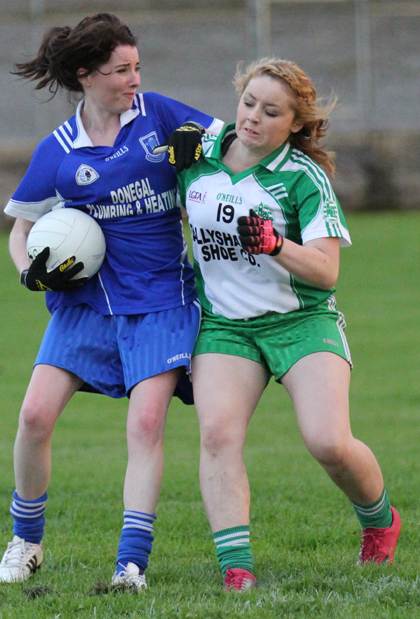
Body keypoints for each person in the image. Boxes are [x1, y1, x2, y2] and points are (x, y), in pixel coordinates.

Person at [0, 12, 222, 590]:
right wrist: (31, 275)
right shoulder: (58, 150)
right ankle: (25, 541)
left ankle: (130, 563)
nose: (134, 80)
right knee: (33, 416)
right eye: (122, 70)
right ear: (85, 74)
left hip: (161, 300)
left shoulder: (161, 116)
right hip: (85, 306)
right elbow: (21, 232)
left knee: (146, 424)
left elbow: (232, 143)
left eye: (137, 67)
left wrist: (204, 149)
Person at [176, 58, 401, 591]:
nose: (253, 117)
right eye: (248, 102)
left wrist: (277, 244)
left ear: (296, 124)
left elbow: (325, 272)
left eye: (271, 111)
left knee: (329, 443)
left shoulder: (303, 178)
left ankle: (379, 521)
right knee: (217, 435)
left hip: (301, 321)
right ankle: (237, 569)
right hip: (226, 327)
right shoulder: (196, 156)